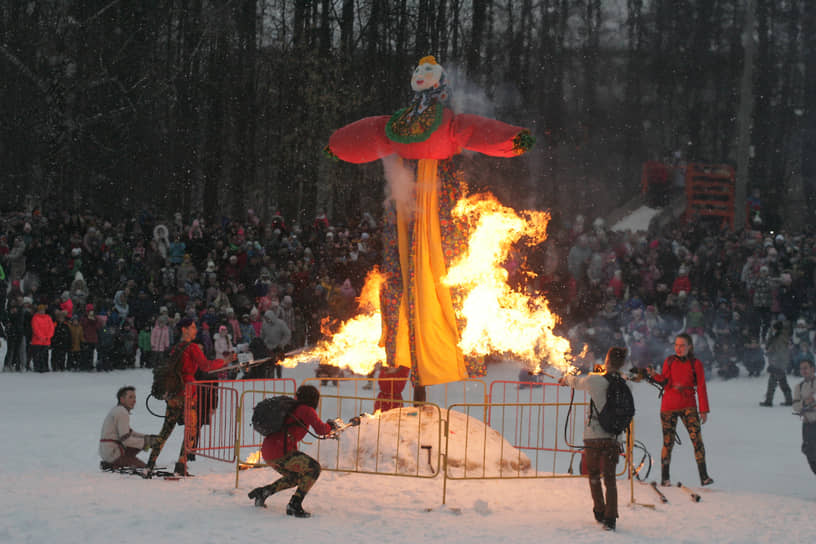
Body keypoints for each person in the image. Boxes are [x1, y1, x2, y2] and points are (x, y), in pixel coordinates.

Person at [145, 318, 235, 476]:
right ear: (184, 330)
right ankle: (181, 464)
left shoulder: (176, 348)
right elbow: (206, 366)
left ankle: (150, 463)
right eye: (192, 327)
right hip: (188, 393)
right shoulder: (191, 347)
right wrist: (225, 361)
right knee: (191, 431)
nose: (195, 330)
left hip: (174, 394)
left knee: (166, 430)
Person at [558, 347, 628, 532]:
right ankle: (611, 519)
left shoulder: (594, 380)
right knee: (611, 479)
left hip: (593, 437)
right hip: (613, 437)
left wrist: (565, 379)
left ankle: (599, 511)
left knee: (594, 476)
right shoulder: (622, 383)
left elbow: (576, 381)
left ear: (607, 360)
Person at [247, 385, 334, 517]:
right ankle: (294, 504)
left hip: (270, 450)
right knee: (314, 468)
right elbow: (321, 430)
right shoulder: (307, 410)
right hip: (280, 451)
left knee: (295, 477)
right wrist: (330, 426)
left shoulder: (294, 408)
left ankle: (264, 492)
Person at [647, 333, 713, 486]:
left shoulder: (695, 364)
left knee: (697, 440)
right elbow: (665, 381)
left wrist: (703, 410)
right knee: (668, 442)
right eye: (676, 345)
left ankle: (704, 476)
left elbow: (701, 387)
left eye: (682, 345)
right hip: (669, 405)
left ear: (689, 346)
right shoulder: (669, 361)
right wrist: (653, 375)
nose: (679, 348)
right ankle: (665, 477)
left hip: (688, 404)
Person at [99, 386, 158, 469]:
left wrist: (147, 437)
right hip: (113, 453)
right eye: (130, 397)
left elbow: (129, 433)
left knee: (143, 442)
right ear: (122, 399)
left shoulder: (117, 410)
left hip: (107, 452)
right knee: (145, 469)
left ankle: (115, 463)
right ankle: (117, 463)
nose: (134, 401)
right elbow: (126, 440)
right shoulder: (121, 412)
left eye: (134, 397)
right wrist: (147, 442)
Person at [760, 320, 793, 406]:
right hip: (779, 363)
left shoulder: (780, 337)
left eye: (774, 328)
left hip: (778, 363)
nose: (772, 330)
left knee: (772, 382)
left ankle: (769, 401)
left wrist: (775, 363)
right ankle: (789, 400)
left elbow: (780, 352)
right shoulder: (778, 336)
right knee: (782, 382)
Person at [792, 358, 816, 475]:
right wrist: (805, 402)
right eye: (801, 368)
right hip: (808, 426)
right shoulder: (799, 387)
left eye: (806, 368)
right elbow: (796, 406)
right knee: (811, 457)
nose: (804, 371)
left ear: (812, 368)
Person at [30, 304, 55, 372]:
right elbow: (35, 329)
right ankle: (37, 368)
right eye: (40, 310)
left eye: (43, 310)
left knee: (45, 355)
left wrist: (48, 336)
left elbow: (51, 328)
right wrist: (41, 337)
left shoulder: (48, 317)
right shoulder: (35, 318)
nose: (42, 311)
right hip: (37, 341)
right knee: (37, 355)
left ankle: (45, 367)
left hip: (46, 341)